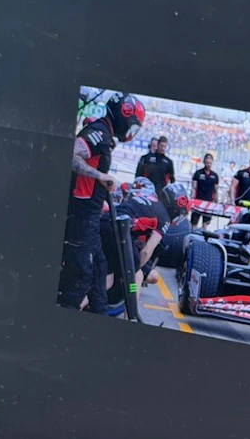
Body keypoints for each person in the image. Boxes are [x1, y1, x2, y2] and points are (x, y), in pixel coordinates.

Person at [58, 93, 145, 314]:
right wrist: (100, 176)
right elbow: (69, 154)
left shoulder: (104, 133)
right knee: (80, 276)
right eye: (132, 124)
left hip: (91, 218)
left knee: (99, 270)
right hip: (81, 218)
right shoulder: (99, 133)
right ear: (125, 115)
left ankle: (100, 317)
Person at [101, 179, 188, 314]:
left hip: (106, 224)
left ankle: (80, 303)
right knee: (137, 275)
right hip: (118, 231)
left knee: (107, 281)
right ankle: (131, 315)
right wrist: (131, 271)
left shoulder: (149, 199)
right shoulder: (164, 218)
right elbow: (147, 251)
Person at [136, 135, 175, 199]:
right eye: (161, 146)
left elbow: (172, 179)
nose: (163, 148)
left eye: (165, 146)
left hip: (160, 193)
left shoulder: (169, 162)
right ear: (158, 145)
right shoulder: (147, 157)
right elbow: (138, 174)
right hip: (147, 191)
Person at [190, 153, 219, 228]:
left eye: (210, 163)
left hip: (209, 203)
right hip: (198, 202)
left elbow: (216, 191)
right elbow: (194, 188)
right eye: (207, 163)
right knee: (193, 225)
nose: (208, 165)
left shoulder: (215, 176)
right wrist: (192, 201)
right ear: (204, 162)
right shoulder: (198, 173)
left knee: (205, 225)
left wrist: (216, 202)